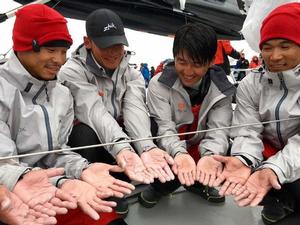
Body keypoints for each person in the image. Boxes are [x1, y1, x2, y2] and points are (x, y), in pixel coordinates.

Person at [0, 4, 135, 225]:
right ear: (24, 45)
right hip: (11, 198)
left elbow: (57, 151)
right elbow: (3, 164)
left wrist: (82, 168)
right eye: (51, 50)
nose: (59, 60)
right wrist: (53, 181)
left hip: (52, 186)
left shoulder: (61, 94)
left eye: (63, 51)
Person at [58, 8, 174, 217]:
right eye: (106, 45)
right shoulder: (72, 71)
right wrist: (124, 150)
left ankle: (122, 184)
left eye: (118, 45)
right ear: (88, 42)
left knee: (151, 125)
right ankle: (103, 190)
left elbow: (135, 109)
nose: (113, 52)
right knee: (84, 135)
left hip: (119, 131)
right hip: (91, 132)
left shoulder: (132, 73)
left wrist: (145, 147)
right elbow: (93, 111)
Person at [212, 3, 300, 225]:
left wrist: (275, 169)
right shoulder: (251, 83)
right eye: (267, 47)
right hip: (272, 152)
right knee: (243, 169)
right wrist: (243, 160)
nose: (275, 56)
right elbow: (247, 129)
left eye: (285, 45)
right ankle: (282, 200)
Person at [138, 22, 235, 208]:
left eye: (197, 64)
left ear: (210, 62)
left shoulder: (223, 89)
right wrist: (179, 154)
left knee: (226, 149)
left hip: (200, 146)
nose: (188, 72)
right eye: (182, 62)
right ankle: (161, 187)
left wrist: (211, 156)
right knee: (154, 134)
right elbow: (164, 128)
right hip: (172, 145)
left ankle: (199, 183)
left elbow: (219, 131)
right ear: (174, 57)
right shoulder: (158, 84)